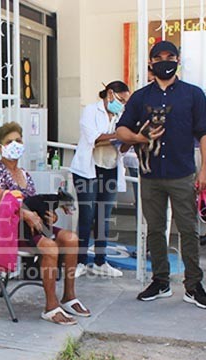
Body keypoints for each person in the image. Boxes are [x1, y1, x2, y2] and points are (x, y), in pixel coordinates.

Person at [116, 40, 206, 310]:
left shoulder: (193, 95)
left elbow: (205, 133)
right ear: (151, 63)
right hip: (150, 175)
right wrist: (140, 138)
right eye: (158, 57)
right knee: (155, 230)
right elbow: (121, 130)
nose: (164, 61)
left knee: (188, 230)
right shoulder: (140, 97)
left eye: (169, 56)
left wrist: (205, 169)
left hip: (182, 173)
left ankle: (193, 285)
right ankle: (160, 281)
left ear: (178, 60)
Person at [0, 122, 86, 325]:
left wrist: (49, 216)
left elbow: (34, 205)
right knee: (50, 247)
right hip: (7, 229)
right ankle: (51, 307)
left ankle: (69, 296)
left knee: (71, 239)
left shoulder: (25, 175)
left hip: (30, 227)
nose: (15, 144)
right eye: (9, 142)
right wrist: (26, 214)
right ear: (0, 147)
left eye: (18, 140)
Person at [70, 81, 131, 278]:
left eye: (125, 102)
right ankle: (80, 261)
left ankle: (100, 261)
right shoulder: (91, 110)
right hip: (88, 169)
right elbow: (93, 138)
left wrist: (128, 139)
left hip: (110, 168)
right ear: (110, 94)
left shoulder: (121, 116)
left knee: (103, 217)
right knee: (87, 216)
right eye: (121, 100)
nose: (122, 105)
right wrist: (119, 135)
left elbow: (122, 147)